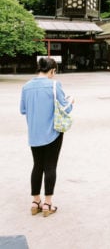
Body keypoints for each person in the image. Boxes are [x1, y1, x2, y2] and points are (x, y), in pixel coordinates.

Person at [20, 57, 74, 217]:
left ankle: (35, 201)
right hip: (52, 132)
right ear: (52, 71)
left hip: (34, 132)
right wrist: (71, 100)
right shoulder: (54, 85)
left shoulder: (26, 86)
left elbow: (22, 110)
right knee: (50, 166)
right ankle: (48, 203)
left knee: (37, 166)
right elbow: (65, 108)